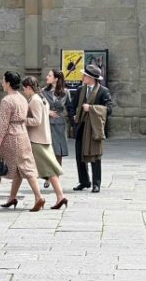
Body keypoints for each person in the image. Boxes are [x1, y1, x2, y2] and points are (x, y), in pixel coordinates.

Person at [0, 71, 45, 212]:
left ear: (8, 83)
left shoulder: (7, 100)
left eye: (3, 80)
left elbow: (3, 124)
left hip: (10, 136)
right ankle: (37, 196)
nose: (2, 83)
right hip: (23, 135)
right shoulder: (22, 98)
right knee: (26, 167)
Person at [21, 76, 68, 210]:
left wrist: (22, 120)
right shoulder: (42, 98)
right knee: (50, 170)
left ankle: (40, 198)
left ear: (29, 88)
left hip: (37, 140)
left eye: (24, 88)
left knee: (36, 171)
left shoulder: (35, 100)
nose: (24, 91)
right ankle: (60, 197)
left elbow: (36, 121)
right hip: (44, 138)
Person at [68, 63, 112, 193]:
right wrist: (74, 118)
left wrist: (91, 108)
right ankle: (84, 181)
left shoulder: (103, 91)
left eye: (85, 75)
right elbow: (71, 106)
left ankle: (96, 183)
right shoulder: (80, 89)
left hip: (94, 128)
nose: (82, 76)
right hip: (81, 126)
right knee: (79, 155)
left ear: (92, 78)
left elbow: (109, 109)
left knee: (95, 156)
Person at [42, 69, 69, 167]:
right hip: (47, 124)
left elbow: (70, 108)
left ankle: (56, 176)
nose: (47, 77)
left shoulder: (65, 92)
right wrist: (47, 112)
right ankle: (48, 178)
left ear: (56, 79)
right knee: (48, 151)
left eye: (49, 75)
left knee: (58, 152)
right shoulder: (43, 91)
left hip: (60, 125)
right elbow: (37, 107)